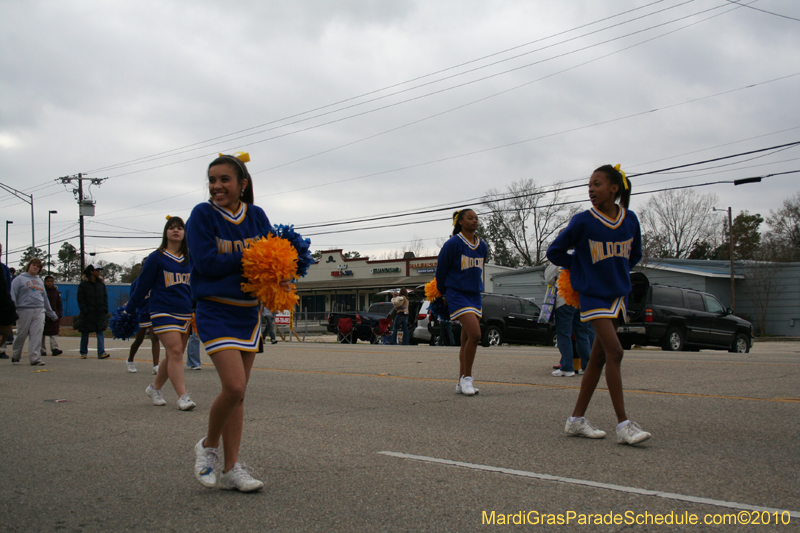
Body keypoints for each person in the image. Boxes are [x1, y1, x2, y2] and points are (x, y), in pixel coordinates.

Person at [187, 153, 290, 492]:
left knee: (239, 395)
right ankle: (208, 447)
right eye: (212, 180)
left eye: (224, 180)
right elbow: (205, 264)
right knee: (233, 387)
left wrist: (284, 275)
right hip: (215, 310)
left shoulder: (257, 215)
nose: (216, 186)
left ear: (242, 184)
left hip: (248, 313)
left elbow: (274, 254)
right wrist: (250, 255)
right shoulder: (202, 215)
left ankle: (232, 469)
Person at [547, 164, 650, 445]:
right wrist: (583, 269)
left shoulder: (630, 220)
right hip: (592, 295)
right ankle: (624, 425)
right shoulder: (583, 221)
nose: (591, 189)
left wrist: (613, 272)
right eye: (589, 185)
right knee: (615, 352)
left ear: (614, 188)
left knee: (599, 358)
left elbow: (634, 254)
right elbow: (554, 251)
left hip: (618, 295)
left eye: (597, 184)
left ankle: (576, 420)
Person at [125, 217, 195, 411]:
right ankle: (183, 396)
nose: (175, 231)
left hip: (185, 312)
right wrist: (130, 309)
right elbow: (142, 285)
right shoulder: (157, 257)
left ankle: (154, 388)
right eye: (171, 228)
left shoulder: (190, 258)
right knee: (174, 351)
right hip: (162, 311)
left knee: (175, 354)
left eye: (179, 228)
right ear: (165, 233)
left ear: (184, 233)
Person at [435, 208, 487, 396]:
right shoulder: (453, 244)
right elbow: (441, 270)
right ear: (461, 222)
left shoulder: (482, 245)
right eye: (470, 218)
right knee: (475, 334)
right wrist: (443, 294)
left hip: (474, 295)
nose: (475, 221)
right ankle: (468, 378)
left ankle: (460, 382)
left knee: (466, 339)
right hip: (456, 294)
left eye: (476, 218)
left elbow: (480, 269)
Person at [545, 263, 591, 377]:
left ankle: (567, 367)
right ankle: (588, 367)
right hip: (581, 300)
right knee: (582, 335)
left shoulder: (559, 258)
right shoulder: (584, 256)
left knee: (564, 335)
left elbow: (549, 278)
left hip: (564, 300)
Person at [10, 258, 58, 365]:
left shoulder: (40, 281)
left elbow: (45, 299)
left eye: (38, 266)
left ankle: (35, 358)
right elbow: (13, 295)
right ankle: (16, 355)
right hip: (24, 310)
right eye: (33, 265)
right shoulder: (19, 279)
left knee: (37, 334)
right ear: (29, 265)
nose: (35, 267)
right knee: (21, 334)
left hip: (39, 310)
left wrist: (51, 313)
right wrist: (13, 311)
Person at [125, 273, 161, 374]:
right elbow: (133, 298)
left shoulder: (156, 280)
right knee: (139, 339)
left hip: (153, 311)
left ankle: (156, 366)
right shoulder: (137, 282)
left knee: (155, 337)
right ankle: (130, 360)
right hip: (141, 312)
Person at [77, 264, 110, 359]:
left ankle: (101, 352)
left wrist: (105, 309)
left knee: (100, 332)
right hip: (87, 314)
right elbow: (80, 299)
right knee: (85, 333)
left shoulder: (101, 284)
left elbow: (105, 297)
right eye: (97, 270)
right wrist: (85, 310)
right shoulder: (83, 285)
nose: (99, 272)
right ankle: (83, 352)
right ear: (91, 272)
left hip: (99, 313)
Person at [41, 275, 63, 356]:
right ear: (45, 282)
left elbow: (59, 304)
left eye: (51, 281)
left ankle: (54, 348)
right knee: (41, 334)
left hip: (54, 316)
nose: (49, 283)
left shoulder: (56, 293)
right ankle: (42, 349)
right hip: (43, 315)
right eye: (48, 281)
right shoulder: (42, 291)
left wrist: (59, 314)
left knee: (54, 333)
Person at [0, 244, 13, 359]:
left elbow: (8, 287)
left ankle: (2, 350)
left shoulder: (4, 269)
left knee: (5, 329)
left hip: (2, 304)